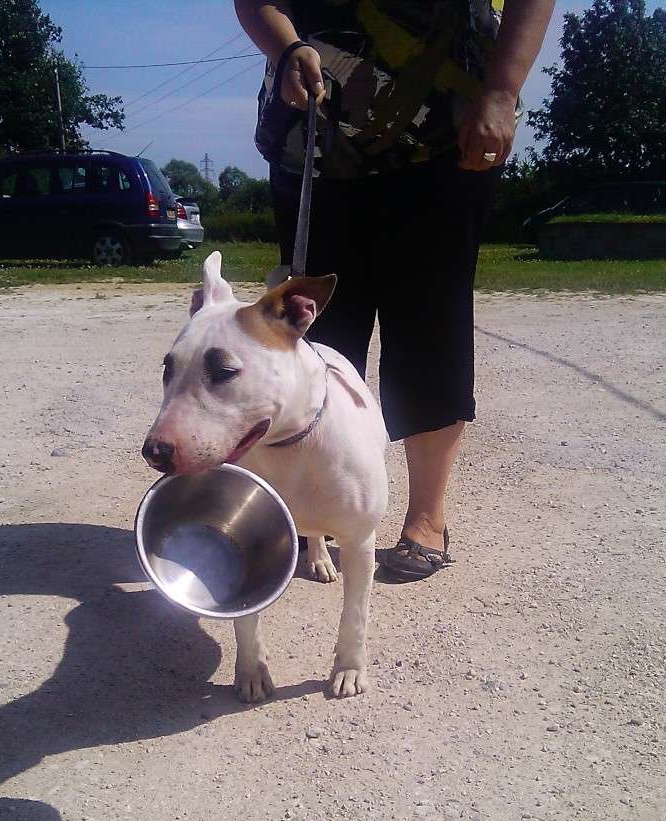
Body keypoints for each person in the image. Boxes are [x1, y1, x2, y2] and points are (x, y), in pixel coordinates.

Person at [235, 0, 554, 579]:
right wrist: (285, 47)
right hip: (316, 135)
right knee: (316, 339)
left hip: (445, 134)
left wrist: (502, 93)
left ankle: (426, 519)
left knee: (430, 326)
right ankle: (311, 521)